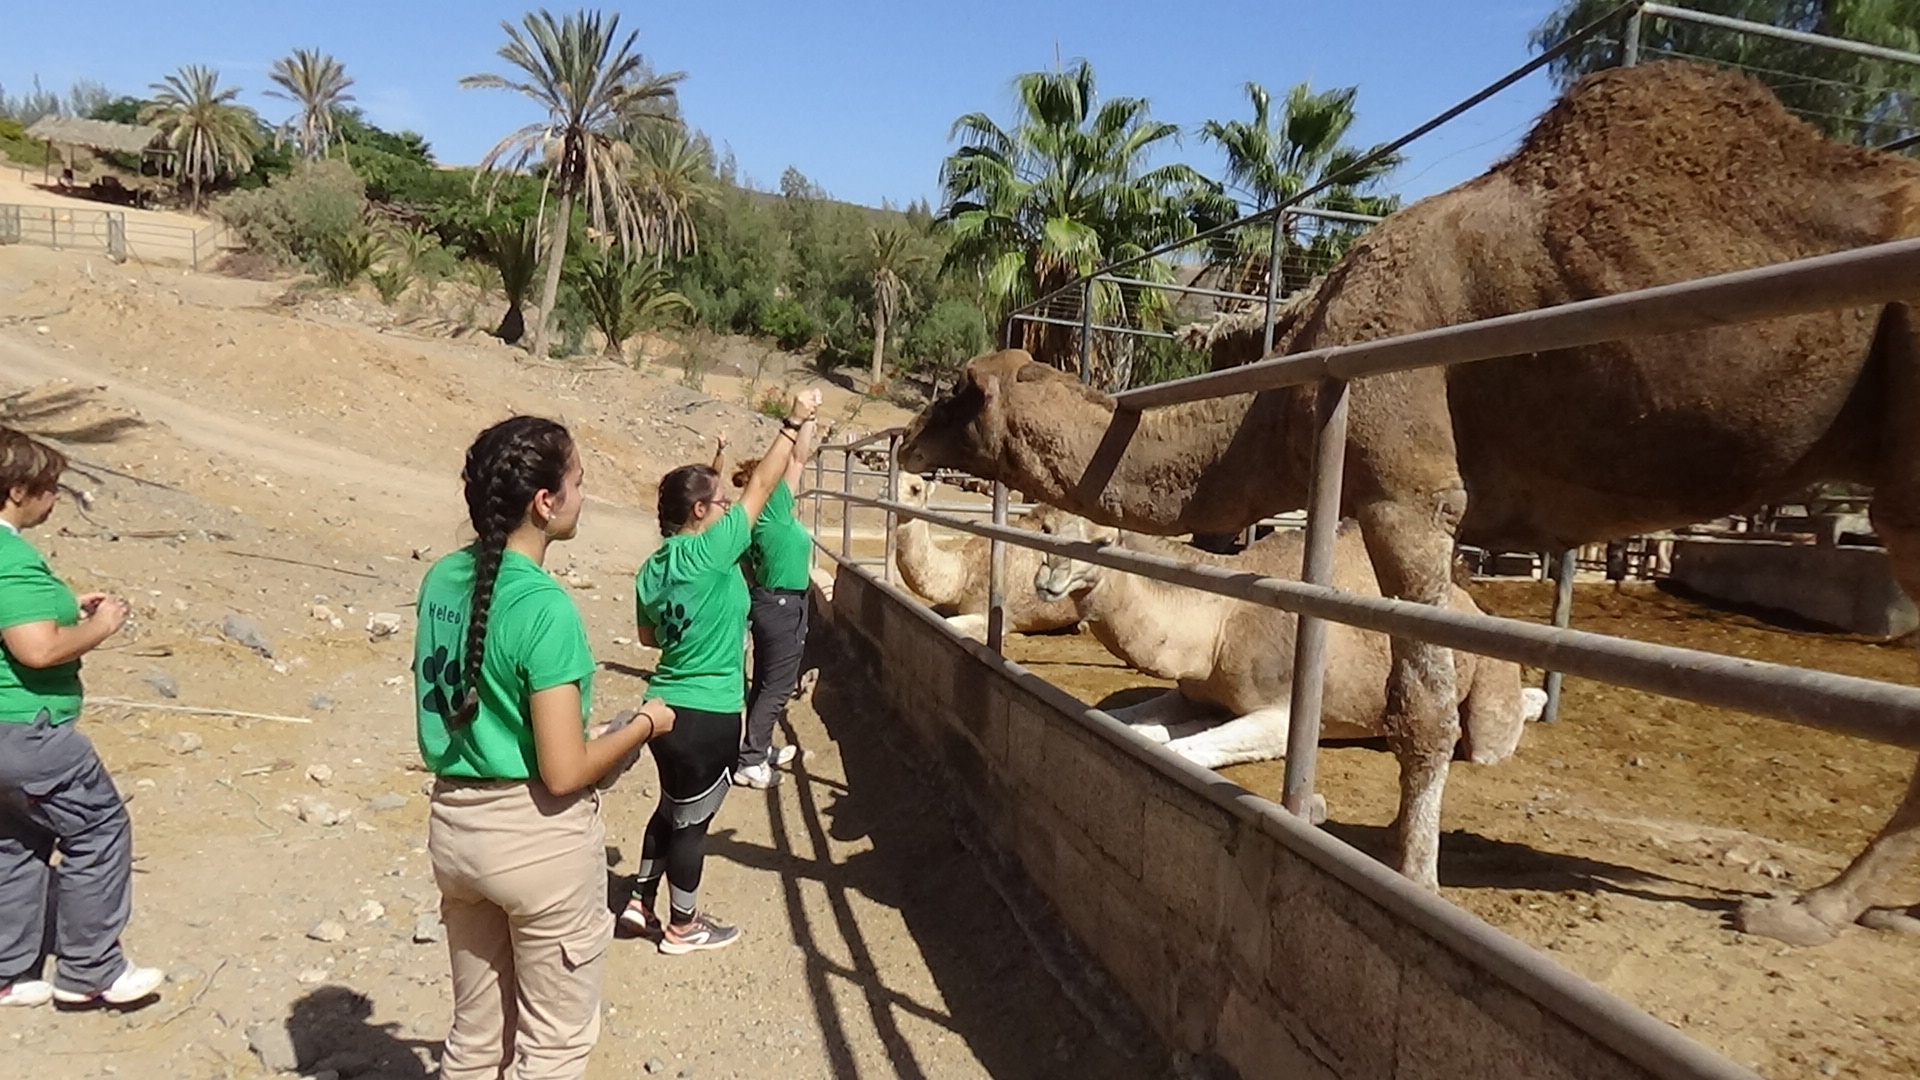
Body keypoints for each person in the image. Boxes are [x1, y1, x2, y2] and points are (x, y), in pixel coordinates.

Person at [416, 416, 675, 1080]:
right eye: (579, 483)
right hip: (536, 842)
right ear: (545, 502)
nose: (584, 496)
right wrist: (642, 726)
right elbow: (563, 774)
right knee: (553, 1048)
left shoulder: (443, 579)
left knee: (476, 1039)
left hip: (455, 827)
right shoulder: (545, 608)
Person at [622, 389, 822, 954]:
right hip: (708, 710)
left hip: (662, 704)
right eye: (720, 502)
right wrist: (793, 422)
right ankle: (683, 926)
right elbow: (763, 484)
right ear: (700, 512)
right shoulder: (713, 551)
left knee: (671, 805)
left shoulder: (651, 568)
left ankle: (640, 900)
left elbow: (649, 638)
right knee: (694, 825)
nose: (730, 507)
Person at [0, 427, 163, 1008]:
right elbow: (36, 649)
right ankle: (91, 969)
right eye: (50, 488)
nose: (53, 499)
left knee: (16, 842)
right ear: (18, 491)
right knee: (98, 830)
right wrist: (100, 626)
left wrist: (67, 604)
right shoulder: (12, 558)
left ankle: (10, 972)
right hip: (28, 730)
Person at [719, 421, 818, 790]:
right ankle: (751, 761)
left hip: (765, 600)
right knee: (777, 687)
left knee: (764, 680)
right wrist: (807, 419)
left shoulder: (747, 520)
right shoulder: (773, 507)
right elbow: (798, 458)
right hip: (784, 604)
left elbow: (746, 567)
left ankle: (756, 746)